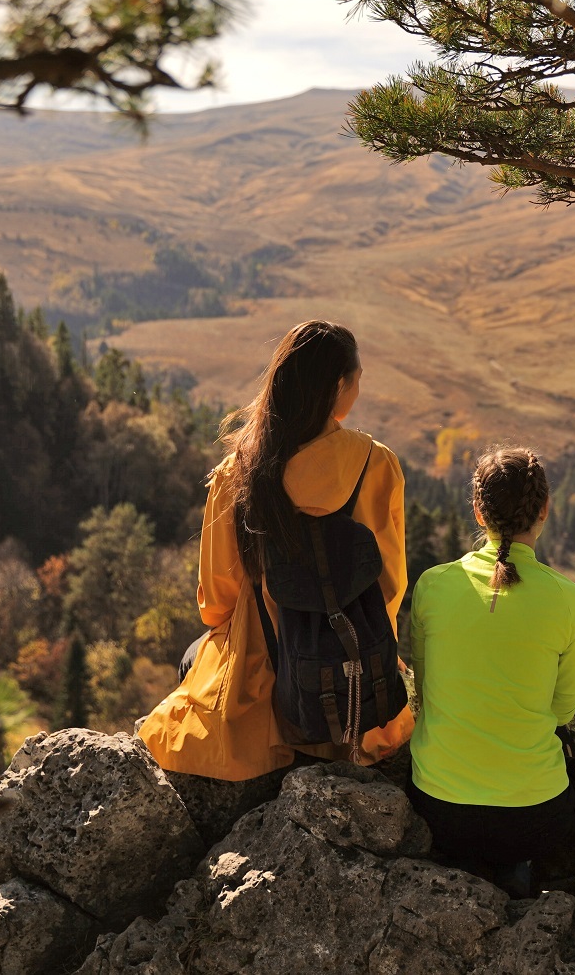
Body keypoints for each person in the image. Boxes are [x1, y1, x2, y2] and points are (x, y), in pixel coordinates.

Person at [139, 320, 414, 780]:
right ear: (338, 387)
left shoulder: (238, 471)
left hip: (261, 690)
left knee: (192, 658)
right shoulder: (377, 463)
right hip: (356, 692)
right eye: (358, 379)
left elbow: (216, 602)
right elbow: (389, 585)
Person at [403, 447, 575, 897]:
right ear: (545, 509)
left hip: (438, 805)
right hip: (534, 817)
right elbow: (562, 711)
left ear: (477, 510)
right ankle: (516, 875)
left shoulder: (432, 585)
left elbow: (426, 693)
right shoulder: (572, 601)